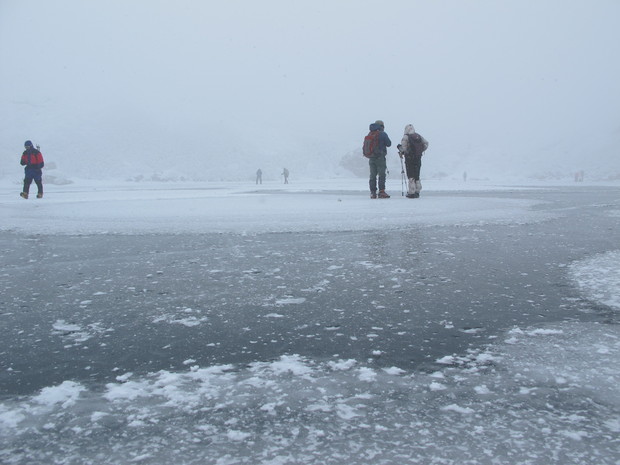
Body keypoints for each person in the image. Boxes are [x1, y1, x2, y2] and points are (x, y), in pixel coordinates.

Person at [397, 124, 428, 198]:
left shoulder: (406, 137)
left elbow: (404, 149)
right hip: (418, 158)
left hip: (409, 158)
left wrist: (400, 148)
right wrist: (420, 151)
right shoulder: (418, 136)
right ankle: (417, 191)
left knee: (411, 175)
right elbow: (426, 143)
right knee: (417, 175)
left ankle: (412, 192)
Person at [367, 120, 392, 198]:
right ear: (382, 126)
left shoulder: (370, 134)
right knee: (381, 175)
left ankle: (373, 192)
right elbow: (389, 144)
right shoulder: (382, 134)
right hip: (380, 158)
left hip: (371, 158)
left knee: (372, 175)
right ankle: (381, 192)